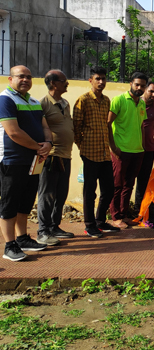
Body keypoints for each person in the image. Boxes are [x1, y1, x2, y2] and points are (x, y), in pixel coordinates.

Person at [0, 65, 51, 261]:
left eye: (29, 77)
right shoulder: (5, 99)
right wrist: (38, 147)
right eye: (21, 76)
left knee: (26, 202)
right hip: (12, 161)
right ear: (10, 79)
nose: (25, 80)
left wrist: (47, 143)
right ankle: (9, 246)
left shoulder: (34, 101)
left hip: (33, 161)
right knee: (9, 204)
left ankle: (22, 238)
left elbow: (45, 126)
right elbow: (13, 132)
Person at [74, 67, 120, 238]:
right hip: (90, 153)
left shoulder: (107, 100)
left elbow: (107, 126)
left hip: (104, 153)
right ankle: (89, 225)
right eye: (97, 78)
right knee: (90, 191)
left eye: (103, 79)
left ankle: (100, 221)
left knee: (108, 189)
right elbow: (76, 126)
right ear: (90, 80)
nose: (101, 82)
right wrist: (82, 146)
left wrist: (112, 147)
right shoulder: (83, 100)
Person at [36, 70, 74, 246]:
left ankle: (55, 226)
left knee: (61, 193)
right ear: (53, 83)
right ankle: (43, 231)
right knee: (47, 194)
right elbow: (37, 129)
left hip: (66, 155)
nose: (66, 83)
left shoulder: (65, 103)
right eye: (63, 81)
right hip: (51, 156)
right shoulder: (42, 104)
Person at [108, 72, 148, 228]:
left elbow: (141, 126)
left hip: (137, 151)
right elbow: (108, 123)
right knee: (117, 185)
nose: (139, 88)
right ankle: (115, 217)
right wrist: (113, 147)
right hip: (120, 150)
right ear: (131, 83)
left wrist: (142, 146)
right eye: (137, 84)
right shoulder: (119, 100)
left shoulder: (142, 103)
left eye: (142, 85)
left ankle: (123, 215)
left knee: (129, 185)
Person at [135, 81, 154, 211]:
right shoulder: (135, 104)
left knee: (143, 181)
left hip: (148, 149)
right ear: (145, 90)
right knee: (126, 181)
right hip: (131, 149)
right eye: (151, 91)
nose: (153, 94)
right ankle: (121, 212)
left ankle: (139, 210)